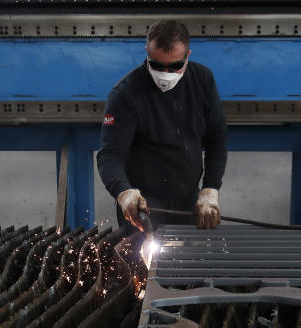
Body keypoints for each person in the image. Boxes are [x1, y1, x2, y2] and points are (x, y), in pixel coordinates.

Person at [97, 20, 227, 234]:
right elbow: (110, 154)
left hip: (188, 202)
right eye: (157, 65)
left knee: (186, 264)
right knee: (141, 264)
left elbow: (217, 138)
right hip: (144, 206)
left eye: (175, 66)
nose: (165, 73)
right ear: (147, 51)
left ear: (188, 55)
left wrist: (210, 189)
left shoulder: (203, 80)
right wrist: (124, 193)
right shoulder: (125, 94)